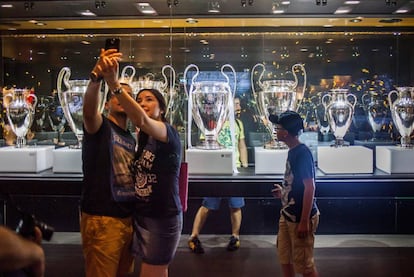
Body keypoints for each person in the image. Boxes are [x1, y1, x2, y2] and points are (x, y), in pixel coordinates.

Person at [100, 49, 183, 277]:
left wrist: (114, 84)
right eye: (139, 100)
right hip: (143, 216)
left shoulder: (167, 133)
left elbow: (143, 120)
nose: (143, 103)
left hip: (162, 217)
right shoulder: (142, 138)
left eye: (149, 99)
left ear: (162, 108)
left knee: (151, 272)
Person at [80, 50, 136, 277]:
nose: (122, 98)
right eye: (117, 94)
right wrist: (97, 78)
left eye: (127, 95)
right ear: (107, 103)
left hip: (128, 219)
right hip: (103, 219)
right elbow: (88, 112)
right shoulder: (100, 127)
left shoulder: (131, 138)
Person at [188, 100, 248, 254]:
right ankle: (194, 235)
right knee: (207, 205)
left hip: (234, 169)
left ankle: (235, 236)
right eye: (235, 103)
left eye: (238, 104)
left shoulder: (238, 124)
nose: (238, 106)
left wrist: (245, 165)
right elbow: (205, 144)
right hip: (217, 169)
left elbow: (242, 144)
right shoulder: (211, 123)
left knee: (236, 205)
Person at [269, 111, 320, 277]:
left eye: (278, 128)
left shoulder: (302, 153)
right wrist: (283, 193)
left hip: (299, 217)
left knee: (305, 264)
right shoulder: (293, 151)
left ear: (286, 132)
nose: (276, 131)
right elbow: (296, 185)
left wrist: (304, 220)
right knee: (285, 257)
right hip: (288, 214)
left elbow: (310, 187)